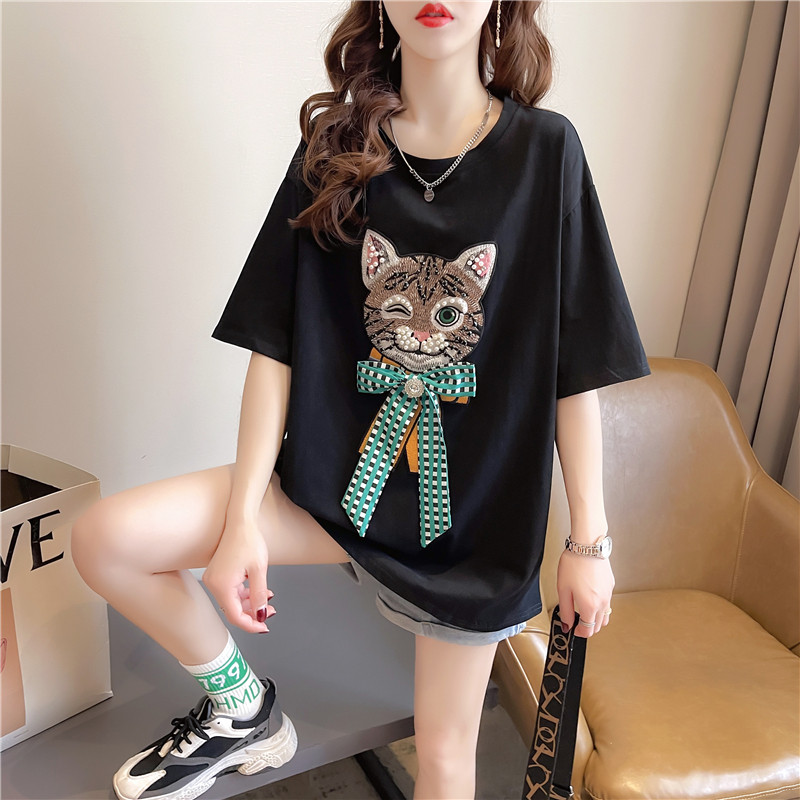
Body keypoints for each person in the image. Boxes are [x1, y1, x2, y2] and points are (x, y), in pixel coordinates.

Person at [71, 2, 652, 799]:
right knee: (103, 539)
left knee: (444, 758)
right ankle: (243, 712)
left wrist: (590, 543)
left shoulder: (546, 154)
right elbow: (274, 344)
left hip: (470, 533)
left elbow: (574, 366)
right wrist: (242, 519)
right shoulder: (334, 150)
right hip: (337, 493)